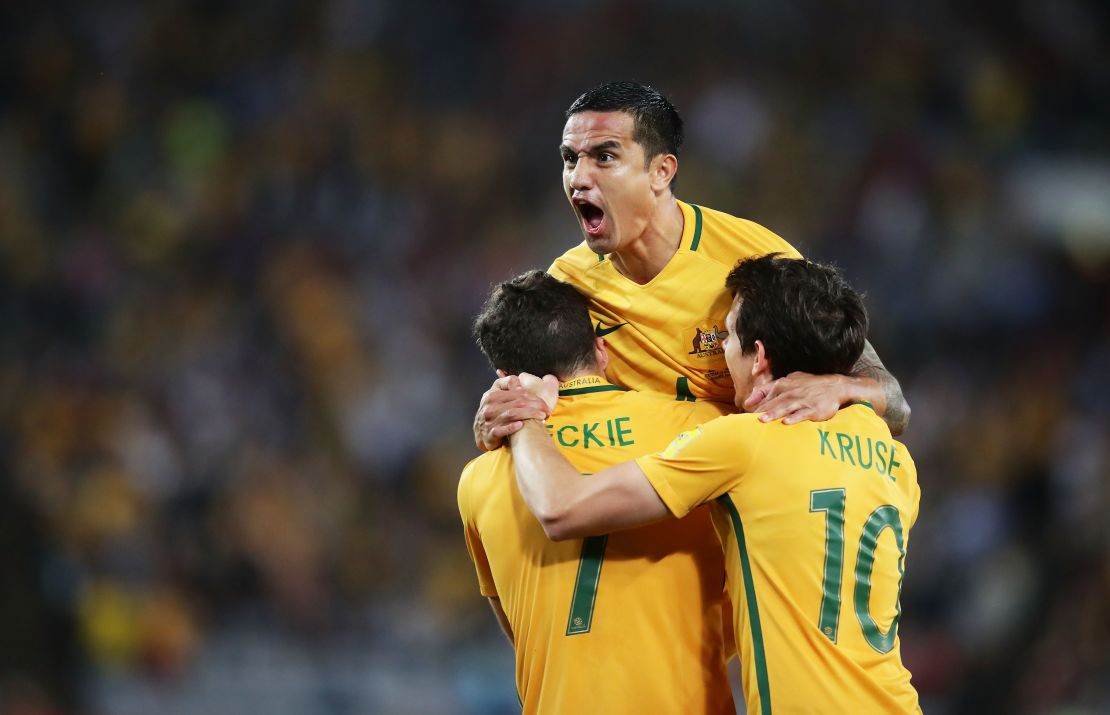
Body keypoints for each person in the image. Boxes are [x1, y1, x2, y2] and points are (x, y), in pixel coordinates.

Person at [508, 255, 921, 713]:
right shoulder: (897, 461)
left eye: (726, 336)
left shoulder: (746, 443)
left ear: (760, 356)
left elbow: (561, 507)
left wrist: (524, 414)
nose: (720, 358)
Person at [475, 80, 910, 447]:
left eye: (604, 157)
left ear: (661, 171)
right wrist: (495, 415)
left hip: (741, 520)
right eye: (571, 158)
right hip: (637, 516)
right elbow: (530, 406)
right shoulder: (567, 286)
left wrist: (839, 387)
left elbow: (894, 403)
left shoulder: (756, 262)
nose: (579, 178)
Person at [458, 271, 736, 714]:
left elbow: (520, 628)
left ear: (505, 379)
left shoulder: (477, 479)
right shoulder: (708, 427)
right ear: (602, 350)